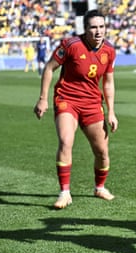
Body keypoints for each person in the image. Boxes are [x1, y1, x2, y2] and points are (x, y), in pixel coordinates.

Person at [33, 9, 118, 209]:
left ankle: (99, 188)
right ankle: (64, 193)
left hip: (92, 104)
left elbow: (108, 83)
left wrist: (111, 111)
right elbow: (48, 68)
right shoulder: (70, 45)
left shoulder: (110, 51)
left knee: (102, 152)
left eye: (102, 27)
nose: (98, 32)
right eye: (93, 27)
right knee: (66, 141)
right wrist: (43, 99)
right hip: (67, 99)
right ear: (85, 29)